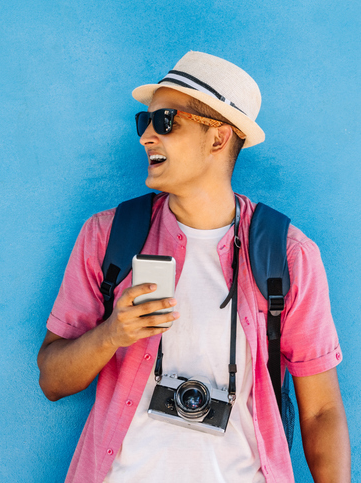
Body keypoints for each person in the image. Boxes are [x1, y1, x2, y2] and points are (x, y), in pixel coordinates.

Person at [36, 51, 350, 483]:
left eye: (165, 121)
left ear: (218, 138)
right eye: (142, 122)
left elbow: (321, 411)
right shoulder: (107, 236)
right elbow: (52, 379)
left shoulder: (289, 255)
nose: (147, 137)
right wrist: (112, 334)